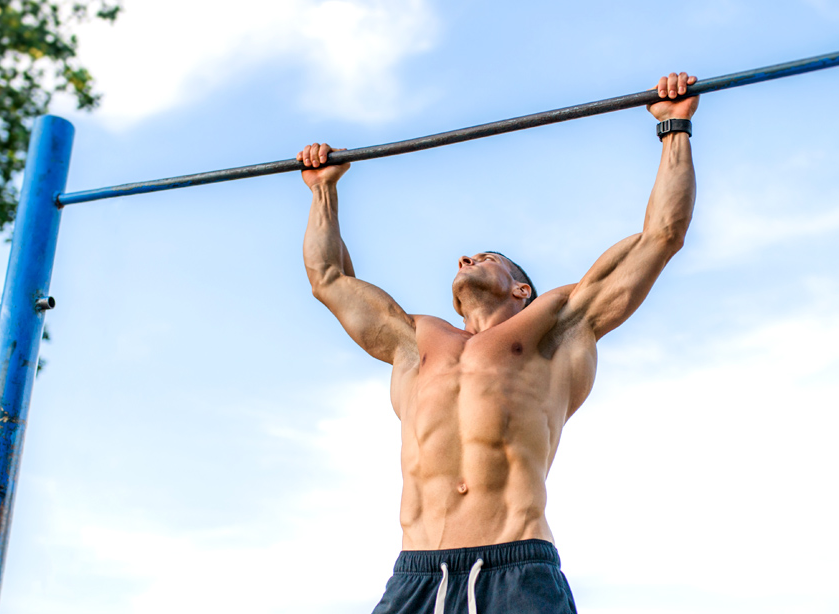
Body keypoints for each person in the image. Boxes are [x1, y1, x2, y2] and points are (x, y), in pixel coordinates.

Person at [298, 72, 699, 614]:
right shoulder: (415, 342)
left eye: (485, 257)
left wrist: (674, 127)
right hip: (418, 575)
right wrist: (323, 188)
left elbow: (661, 237)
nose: (465, 259)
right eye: (463, 259)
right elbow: (328, 278)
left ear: (521, 288)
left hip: (518, 568)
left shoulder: (556, 326)